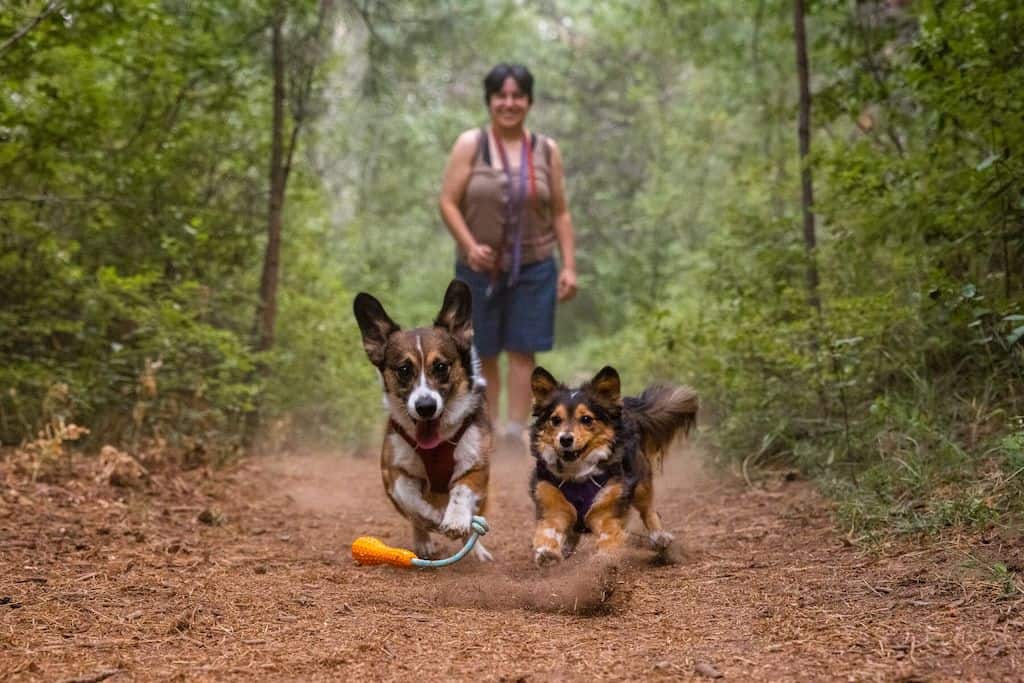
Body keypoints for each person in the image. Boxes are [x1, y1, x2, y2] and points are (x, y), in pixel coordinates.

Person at [439, 63, 577, 453]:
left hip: (535, 265)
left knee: (523, 348)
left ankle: (516, 431)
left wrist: (569, 265)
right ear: (490, 101)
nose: (509, 103)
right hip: (478, 267)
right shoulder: (471, 144)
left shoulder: (546, 150)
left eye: (518, 95)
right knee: (481, 349)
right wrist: (468, 244)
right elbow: (447, 202)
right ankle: (489, 427)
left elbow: (562, 212)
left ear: (529, 101)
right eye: (501, 95)